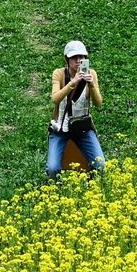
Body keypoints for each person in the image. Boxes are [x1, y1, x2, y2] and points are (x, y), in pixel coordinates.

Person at [46, 39, 105, 179]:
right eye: (74, 57)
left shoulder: (92, 74)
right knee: (53, 168)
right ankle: (56, 188)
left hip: (83, 128)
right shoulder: (59, 74)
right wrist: (73, 83)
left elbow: (98, 103)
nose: (78, 61)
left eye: (82, 57)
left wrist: (91, 85)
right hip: (60, 128)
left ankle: (92, 185)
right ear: (67, 59)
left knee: (100, 164)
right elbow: (55, 98)